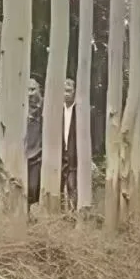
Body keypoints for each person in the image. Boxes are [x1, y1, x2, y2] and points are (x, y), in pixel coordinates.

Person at [25, 78, 43, 208]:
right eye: (27, 90)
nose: (30, 93)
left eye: (32, 89)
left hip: (37, 156)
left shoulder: (44, 107)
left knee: (33, 188)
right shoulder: (20, 107)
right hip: (21, 155)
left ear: (38, 89)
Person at [62, 77, 77, 207]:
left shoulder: (79, 110)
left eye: (68, 90)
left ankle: (73, 211)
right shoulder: (57, 109)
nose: (66, 94)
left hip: (73, 154)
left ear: (74, 92)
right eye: (64, 91)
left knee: (72, 185)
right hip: (59, 152)